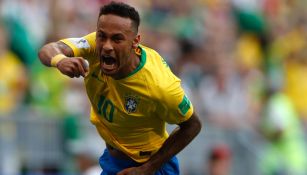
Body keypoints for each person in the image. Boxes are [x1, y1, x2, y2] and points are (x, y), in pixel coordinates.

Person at [38, 1, 202, 175]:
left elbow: (193, 125)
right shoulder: (93, 45)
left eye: (117, 39)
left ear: (135, 41)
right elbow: (48, 49)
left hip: (151, 166)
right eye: (102, 36)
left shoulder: (159, 86)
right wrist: (60, 60)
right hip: (113, 161)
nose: (107, 46)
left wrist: (147, 168)